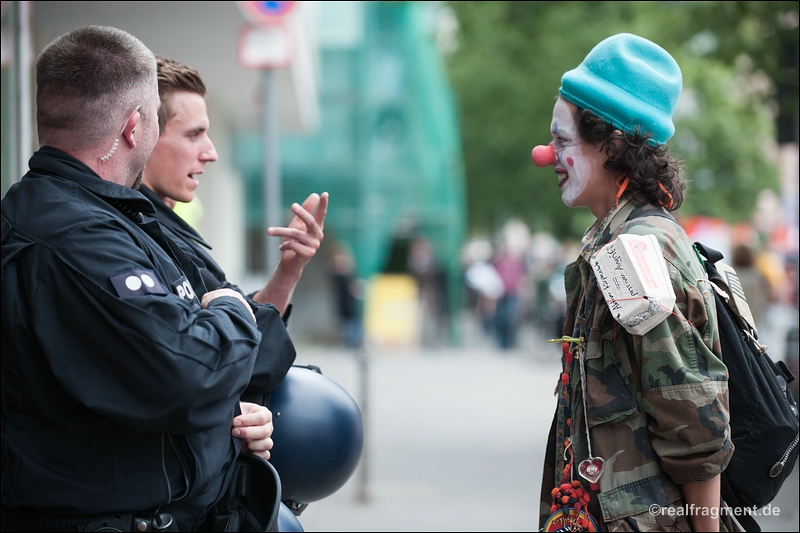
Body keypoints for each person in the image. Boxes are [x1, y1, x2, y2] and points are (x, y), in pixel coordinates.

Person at [1, 26, 290, 532]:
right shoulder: (74, 234)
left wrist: (228, 424)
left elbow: (145, 378)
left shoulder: (103, 218)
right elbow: (189, 372)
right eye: (160, 117)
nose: (209, 150)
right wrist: (231, 307)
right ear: (136, 126)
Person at [531, 34, 735, 531]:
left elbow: (694, 426)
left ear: (611, 144)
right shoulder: (612, 239)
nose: (546, 154)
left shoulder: (635, 253)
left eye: (562, 140)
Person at [139, 54, 328, 400]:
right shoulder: (133, 235)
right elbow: (223, 363)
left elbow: (245, 326)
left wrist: (288, 271)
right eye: (194, 134)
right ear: (143, 136)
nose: (210, 152)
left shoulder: (165, 226)